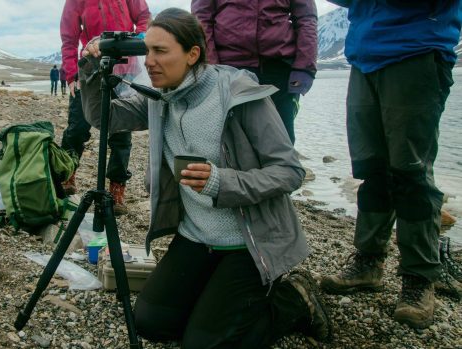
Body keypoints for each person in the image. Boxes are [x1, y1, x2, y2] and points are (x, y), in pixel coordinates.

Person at [79, 8, 331, 348]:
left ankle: (294, 301)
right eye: (147, 50)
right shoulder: (158, 96)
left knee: (203, 345)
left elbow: (289, 171)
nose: (149, 61)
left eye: (161, 51)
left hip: (248, 243)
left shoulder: (238, 94)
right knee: (150, 322)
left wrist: (221, 183)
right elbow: (102, 116)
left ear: (193, 54)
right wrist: (90, 69)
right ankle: (214, 298)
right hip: (196, 237)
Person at [320, 1, 462, 330]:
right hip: (365, 55)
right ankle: (368, 262)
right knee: (372, 169)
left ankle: (419, 279)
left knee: (411, 172)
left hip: (417, 48)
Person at [59, 0, 151, 215]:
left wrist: (135, 42)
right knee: (77, 127)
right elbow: (69, 38)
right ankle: (67, 174)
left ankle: (116, 187)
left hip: (125, 68)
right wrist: (72, 75)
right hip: (91, 68)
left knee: (121, 133)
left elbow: (144, 17)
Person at [191, 0, 317, 145]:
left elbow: (306, 17)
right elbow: (201, 18)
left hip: (279, 69)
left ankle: (283, 168)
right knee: (230, 141)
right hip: (229, 70)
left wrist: (304, 68)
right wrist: (212, 68)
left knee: (281, 141)